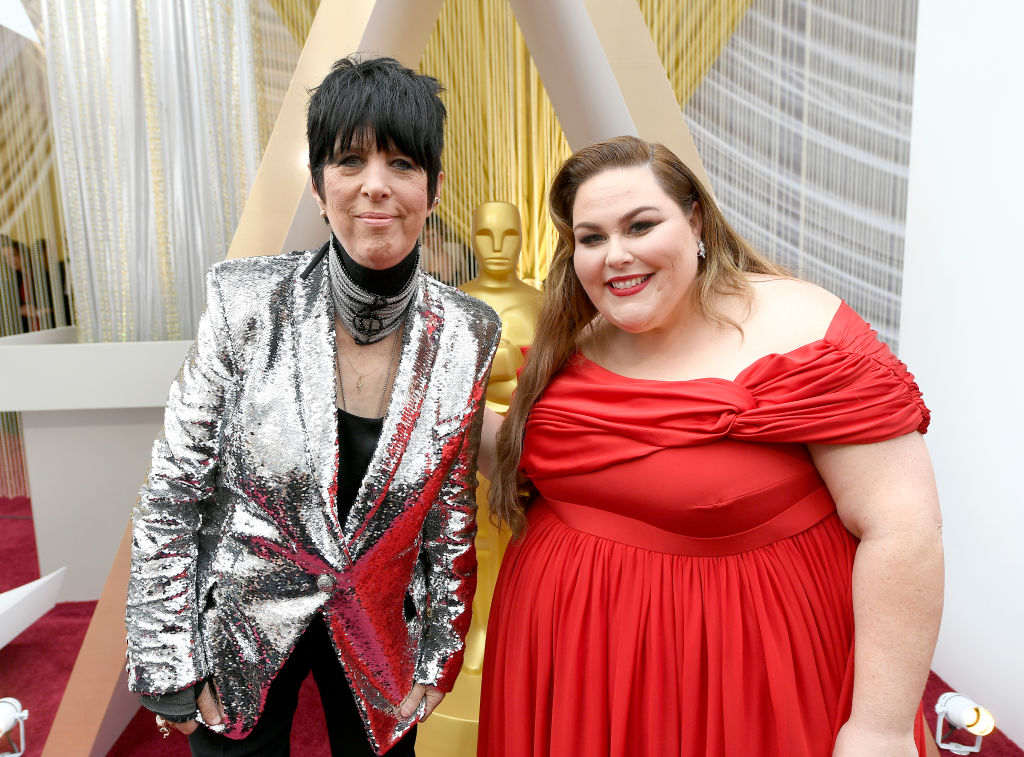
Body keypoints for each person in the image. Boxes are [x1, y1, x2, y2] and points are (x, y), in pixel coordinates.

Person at [478, 136, 942, 757]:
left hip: (742, 683)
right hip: (575, 669)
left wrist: (880, 729)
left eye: (640, 225)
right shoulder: (579, 340)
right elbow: (530, 458)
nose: (616, 255)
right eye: (591, 238)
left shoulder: (804, 329)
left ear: (695, 219)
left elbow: (903, 530)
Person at [126, 55, 502, 757]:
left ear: (434, 187)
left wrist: (440, 652)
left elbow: (452, 512)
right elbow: (173, 491)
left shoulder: (468, 332)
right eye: (350, 160)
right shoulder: (245, 303)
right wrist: (166, 663)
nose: (375, 187)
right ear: (319, 186)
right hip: (243, 617)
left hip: (380, 632)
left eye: (402, 163)